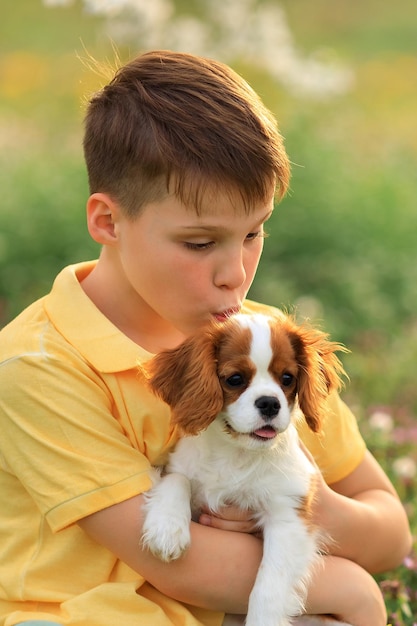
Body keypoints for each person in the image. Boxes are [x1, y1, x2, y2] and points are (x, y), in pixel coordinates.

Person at [0, 49, 411, 626]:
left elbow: (390, 530)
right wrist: (346, 586)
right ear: (108, 221)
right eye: (199, 243)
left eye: (253, 233)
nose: (235, 273)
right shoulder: (37, 364)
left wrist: (299, 506)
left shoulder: (266, 343)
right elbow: (173, 562)